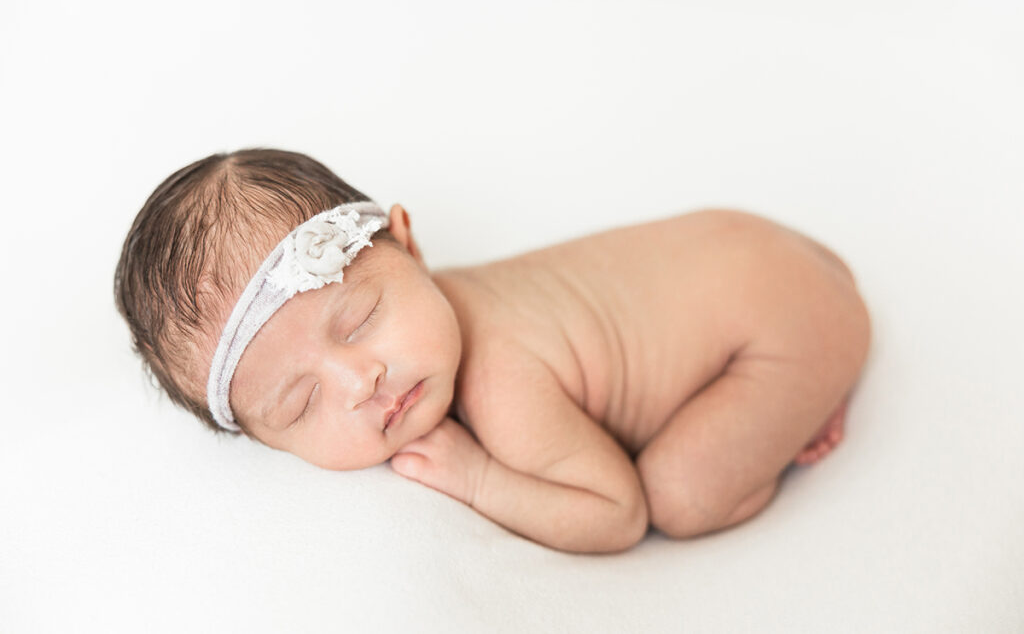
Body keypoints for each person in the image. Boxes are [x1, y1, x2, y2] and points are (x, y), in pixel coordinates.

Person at [114, 148, 870, 554]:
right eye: (301, 402)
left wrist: (480, 478)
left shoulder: (501, 378)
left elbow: (618, 511)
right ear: (263, 439)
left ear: (407, 243)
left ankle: (807, 394)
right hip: (754, 247)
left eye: (361, 318)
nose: (359, 378)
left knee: (683, 496)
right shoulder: (435, 308)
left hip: (784, 320)